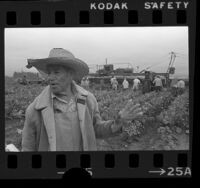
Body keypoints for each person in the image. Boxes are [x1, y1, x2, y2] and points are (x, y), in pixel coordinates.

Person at [22, 48, 143, 151]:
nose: (51, 77)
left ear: (70, 74)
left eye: (57, 72)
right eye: (49, 73)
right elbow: (27, 148)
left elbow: (95, 129)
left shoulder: (88, 99)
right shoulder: (35, 109)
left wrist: (118, 122)